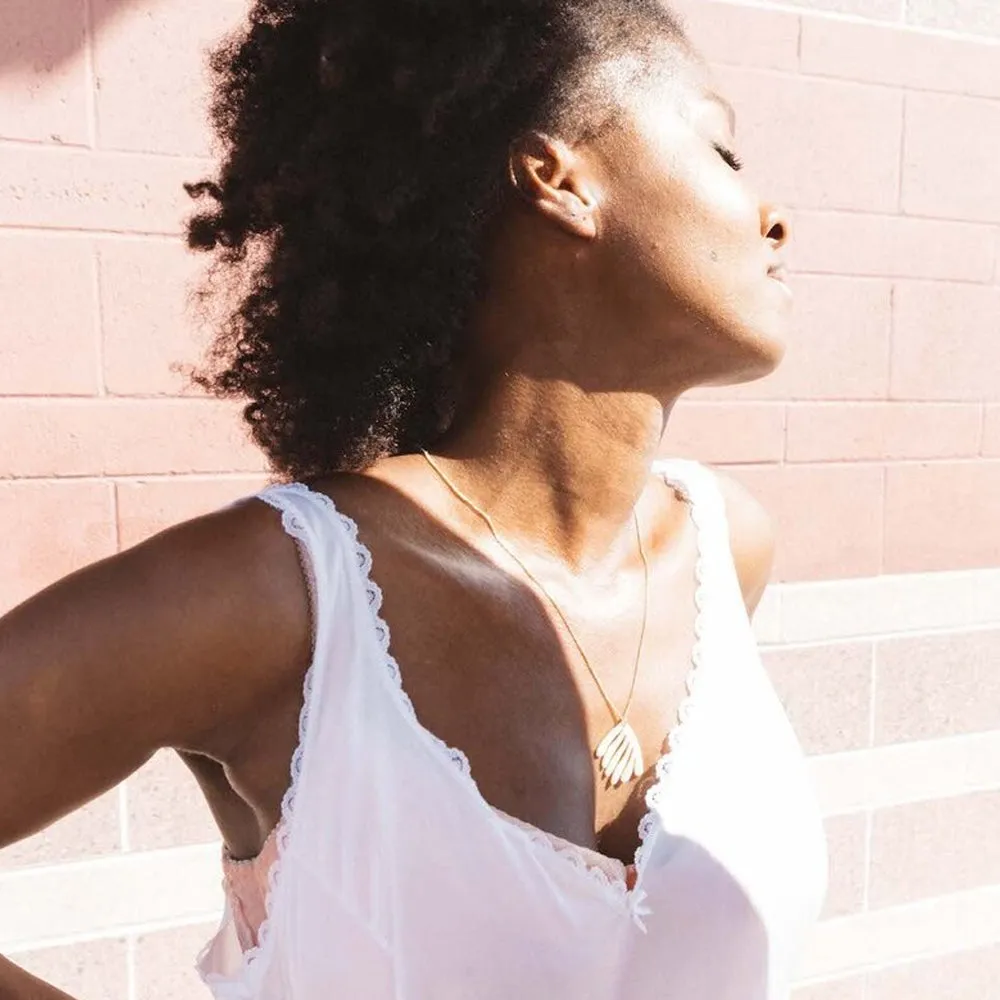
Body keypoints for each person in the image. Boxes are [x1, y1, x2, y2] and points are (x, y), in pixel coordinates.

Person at [0, 0, 829, 997]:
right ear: (557, 178)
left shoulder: (724, 549)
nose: (773, 214)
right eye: (721, 150)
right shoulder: (284, 596)